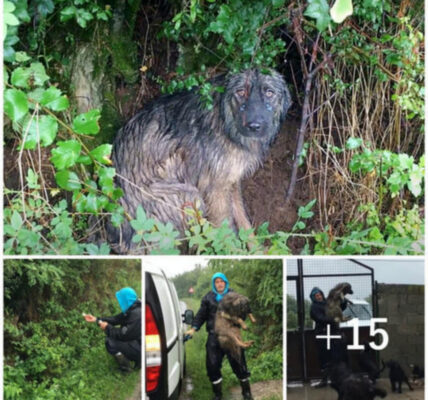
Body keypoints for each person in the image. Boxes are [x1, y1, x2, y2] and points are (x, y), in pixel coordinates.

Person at [185, 272, 256, 400]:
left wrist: (238, 319)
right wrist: (193, 328)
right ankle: (218, 395)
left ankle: (247, 393)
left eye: (221, 281)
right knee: (212, 365)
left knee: (239, 364)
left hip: (232, 335)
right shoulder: (208, 298)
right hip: (214, 336)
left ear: (225, 282)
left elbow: (244, 312)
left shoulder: (234, 296)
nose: (219, 284)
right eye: (217, 282)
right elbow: (201, 315)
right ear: (214, 284)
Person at [83, 287, 141, 372]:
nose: (120, 303)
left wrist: (107, 327)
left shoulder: (136, 315)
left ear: (126, 300)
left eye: (121, 301)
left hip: (141, 348)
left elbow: (122, 336)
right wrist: (96, 319)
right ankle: (137, 361)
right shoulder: (133, 309)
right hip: (138, 343)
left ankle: (127, 368)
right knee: (113, 338)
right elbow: (115, 319)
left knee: (110, 342)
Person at [310, 286, 349, 388]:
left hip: (334, 333)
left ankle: (337, 379)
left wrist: (343, 300)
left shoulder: (328, 303)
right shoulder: (314, 307)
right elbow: (319, 318)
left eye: (320, 294)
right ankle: (324, 380)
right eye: (316, 295)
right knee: (325, 358)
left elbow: (340, 308)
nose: (319, 297)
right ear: (314, 297)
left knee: (337, 357)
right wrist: (332, 320)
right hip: (323, 334)